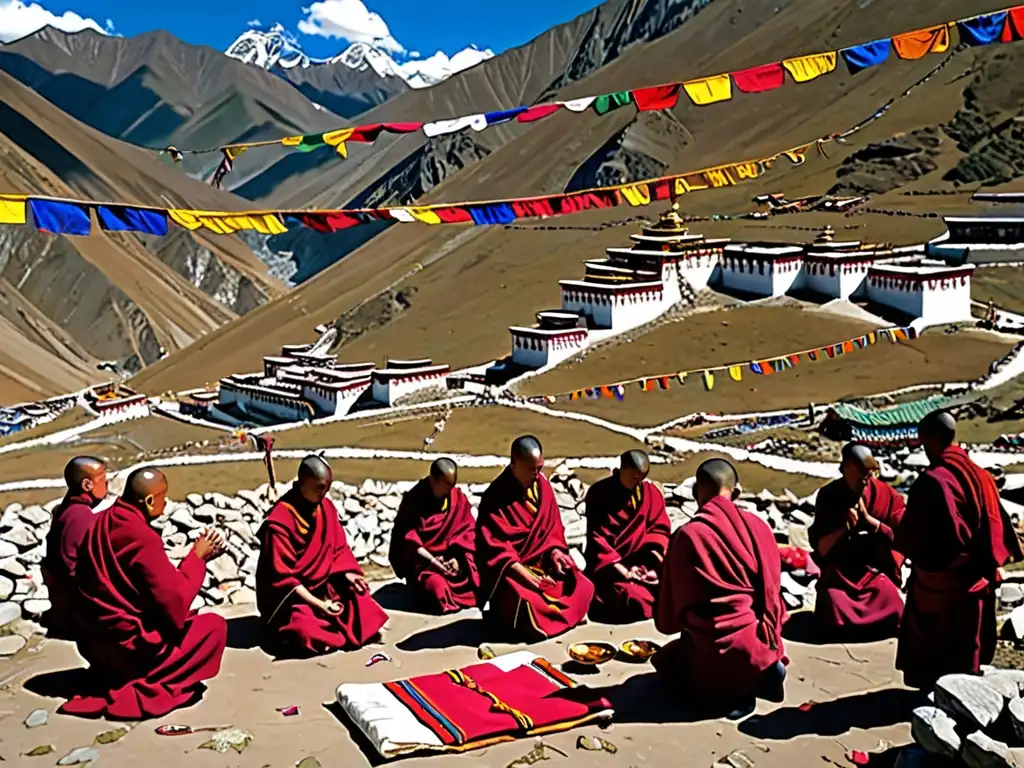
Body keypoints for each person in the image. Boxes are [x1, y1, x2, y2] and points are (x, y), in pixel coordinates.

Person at [60, 467, 228, 720]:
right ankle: (147, 682)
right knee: (213, 627)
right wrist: (198, 557)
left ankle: (116, 674)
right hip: (131, 652)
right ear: (149, 501)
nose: (166, 503)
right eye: (163, 497)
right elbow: (174, 600)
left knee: (184, 621)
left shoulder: (99, 521)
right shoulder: (141, 536)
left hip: (93, 644)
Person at [896, 411, 1023, 688]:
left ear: (930, 439)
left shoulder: (932, 480)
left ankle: (931, 684)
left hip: (944, 580)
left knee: (920, 597)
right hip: (977, 577)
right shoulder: (983, 476)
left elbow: (914, 540)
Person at [654, 459, 787, 719]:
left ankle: (732, 690)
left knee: (666, 661)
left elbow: (668, 620)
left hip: (714, 649)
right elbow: (773, 596)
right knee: (750, 649)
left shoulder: (688, 535)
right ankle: (765, 669)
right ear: (736, 493)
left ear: (696, 492)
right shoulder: (760, 527)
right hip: (760, 640)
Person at [256, 455, 388, 657]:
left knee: (360, 599)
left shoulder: (326, 508)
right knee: (303, 630)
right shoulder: (279, 523)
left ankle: (333, 633)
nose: (324, 493)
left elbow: (339, 549)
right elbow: (283, 579)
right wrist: (320, 605)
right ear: (303, 484)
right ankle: (328, 634)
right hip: (292, 598)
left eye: (327, 487)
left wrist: (349, 575)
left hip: (324, 585)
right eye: (319, 488)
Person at [476, 436, 594, 641]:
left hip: (543, 563)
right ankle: (559, 617)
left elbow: (552, 530)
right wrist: (528, 577)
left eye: (539, 468)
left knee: (581, 582)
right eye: (531, 469)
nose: (536, 474)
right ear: (514, 465)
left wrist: (557, 554)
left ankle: (561, 616)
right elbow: (494, 549)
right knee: (525, 600)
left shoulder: (543, 486)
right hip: (514, 571)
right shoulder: (494, 497)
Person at [810, 444, 905, 642]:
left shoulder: (885, 495)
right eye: (860, 472)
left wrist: (871, 523)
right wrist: (844, 528)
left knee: (893, 603)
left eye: (868, 474)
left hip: (873, 572)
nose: (865, 479)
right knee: (832, 604)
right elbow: (822, 548)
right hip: (841, 575)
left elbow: (903, 539)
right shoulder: (828, 496)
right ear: (845, 468)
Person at [583, 450, 670, 623]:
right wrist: (625, 572)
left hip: (642, 564)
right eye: (633, 477)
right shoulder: (599, 494)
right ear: (622, 468)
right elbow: (598, 540)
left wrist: (653, 565)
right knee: (629, 596)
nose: (638, 483)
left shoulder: (651, 493)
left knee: (672, 585)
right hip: (610, 569)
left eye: (641, 478)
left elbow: (659, 530)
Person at [388, 458, 479, 614]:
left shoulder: (457, 499)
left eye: (452, 486)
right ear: (433, 480)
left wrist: (457, 561)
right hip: (425, 565)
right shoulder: (414, 500)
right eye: (445, 486)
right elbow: (408, 540)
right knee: (437, 589)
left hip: (450, 561)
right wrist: (433, 561)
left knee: (479, 579)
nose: (449, 491)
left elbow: (468, 533)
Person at [41, 456, 107, 638]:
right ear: (87, 485)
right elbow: (79, 570)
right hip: (76, 603)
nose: (107, 484)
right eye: (103, 478)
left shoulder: (66, 508)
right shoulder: (81, 517)